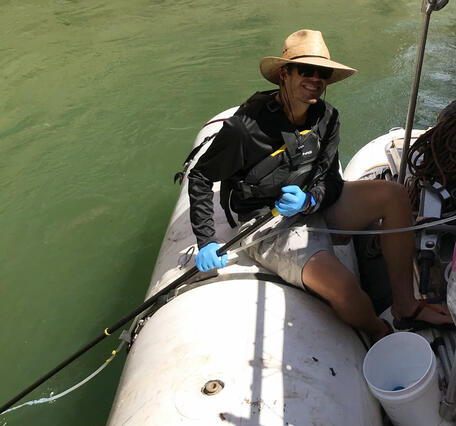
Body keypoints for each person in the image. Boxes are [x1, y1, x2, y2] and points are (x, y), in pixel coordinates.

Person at [187, 29, 453, 341]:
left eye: (323, 73)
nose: (315, 79)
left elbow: (330, 178)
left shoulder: (327, 117)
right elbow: (200, 177)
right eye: (306, 70)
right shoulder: (247, 128)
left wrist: (310, 201)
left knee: (393, 194)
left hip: (312, 204)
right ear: (285, 74)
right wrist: (206, 240)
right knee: (343, 288)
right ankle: (379, 332)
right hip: (267, 223)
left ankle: (405, 305)